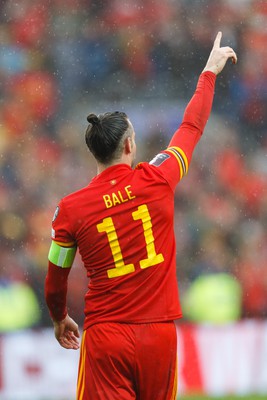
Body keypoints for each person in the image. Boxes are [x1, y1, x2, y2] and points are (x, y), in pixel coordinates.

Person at [45, 32, 237, 400]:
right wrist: (208, 73)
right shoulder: (158, 177)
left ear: (95, 153)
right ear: (130, 145)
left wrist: (57, 317)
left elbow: (56, 276)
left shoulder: (70, 209)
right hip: (158, 335)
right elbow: (191, 128)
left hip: (106, 337)